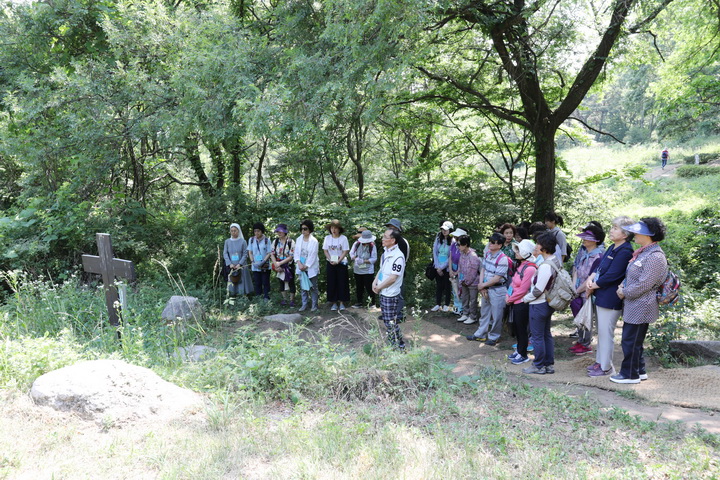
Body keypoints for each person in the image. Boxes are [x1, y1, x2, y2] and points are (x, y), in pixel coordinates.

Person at [612, 218, 668, 384]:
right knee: (635, 340)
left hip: (642, 305)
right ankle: (640, 370)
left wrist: (624, 292)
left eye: (638, 232)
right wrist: (624, 286)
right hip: (635, 303)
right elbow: (633, 275)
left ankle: (630, 374)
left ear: (648, 235)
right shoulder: (644, 252)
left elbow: (645, 283)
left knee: (630, 340)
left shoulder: (655, 256)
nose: (634, 234)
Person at [584, 216, 635, 377]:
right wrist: (590, 278)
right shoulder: (612, 247)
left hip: (611, 298)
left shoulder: (626, 251)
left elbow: (613, 275)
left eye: (615, 228)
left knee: (606, 333)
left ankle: (606, 366)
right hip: (601, 295)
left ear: (625, 234)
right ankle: (599, 362)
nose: (611, 230)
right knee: (601, 332)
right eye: (612, 227)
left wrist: (593, 286)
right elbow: (600, 267)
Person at [521, 232, 561, 375]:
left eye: (538, 244)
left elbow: (538, 290)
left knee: (537, 336)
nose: (536, 246)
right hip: (547, 304)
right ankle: (548, 364)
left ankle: (538, 365)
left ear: (544, 247)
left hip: (539, 304)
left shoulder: (545, 266)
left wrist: (525, 298)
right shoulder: (555, 260)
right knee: (546, 334)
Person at [568, 224, 606, 355]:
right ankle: (580, 340)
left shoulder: (599, 257)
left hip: (588, 293)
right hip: (578, 291)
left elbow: (591, 278)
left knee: (586, 318)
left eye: (587, 238)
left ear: (595, 241)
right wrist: (574, 289)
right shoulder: (584, 253)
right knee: (578, 316)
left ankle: (586, 344)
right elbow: (577, 271)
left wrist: (578, 291)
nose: (583, 240)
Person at [466, 232, 509, 346]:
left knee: (496, 315)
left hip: (498, 290)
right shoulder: (488, 254)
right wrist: (481, 285)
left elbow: (497, 278)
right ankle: (480, 334)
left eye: (492, 242)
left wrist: (483, 286)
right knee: (484, 312)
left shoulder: (503, 259)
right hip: (486, 288)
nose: (490, 243)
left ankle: (494, 337)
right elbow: (483, 270)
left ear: (499, 245)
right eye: (490, 241)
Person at [373, 229, 407, 350]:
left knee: (390, 322)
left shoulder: (398, 256)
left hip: (390, 294)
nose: (382, 239)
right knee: (388, 321)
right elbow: (382, 270)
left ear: (392, 240)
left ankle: (399, 346)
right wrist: (375, 281)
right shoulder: (385, 252)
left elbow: (393, 278)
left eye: (385, 237)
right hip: (383, 291)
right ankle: (394, 344)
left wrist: (379, 287)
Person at [506, 239, 537, 365]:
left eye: (519, 250)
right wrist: (508, 295)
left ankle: (523, 354)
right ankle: (519, 350)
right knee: (517, 328)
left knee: (522, 329)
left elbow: (523, 290)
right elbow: (513, 282)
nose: (516, 252)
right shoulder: (521, 265)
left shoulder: (530, 269)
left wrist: (510, 299)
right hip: (515, 301)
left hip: (522, 303)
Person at [323, 219, 351, 311]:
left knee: (342, 282)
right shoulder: (327, 238)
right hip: (330, 262)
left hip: (341, 262)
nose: (333, 230)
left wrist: (338, 260)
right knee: (332, 282)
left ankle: (342, 302)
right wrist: (330, 259)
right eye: (332, 228)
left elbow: (345, 250)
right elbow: (325, 250)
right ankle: (334, 303)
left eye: (335, 228)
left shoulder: (343, 238)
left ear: (339, 229)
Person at [385, 218, 409, 320]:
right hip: (389, 271)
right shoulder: (391, 241)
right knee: (390, 292)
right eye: (389, 227)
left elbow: (401, 259)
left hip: (398, 271)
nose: (390, 229)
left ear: (397, 229)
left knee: (398, 293)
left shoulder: (402, 242)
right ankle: (390, 314)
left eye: (392, 227)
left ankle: (399, 315)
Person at [295, 219, 320, 312]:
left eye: (305, 229)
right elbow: (296, 253)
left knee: (313, 286)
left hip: (310, 267)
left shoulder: (314, 241)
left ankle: (314, 305)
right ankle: (304, 304)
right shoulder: (298, 239)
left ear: (310, 229)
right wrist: (299, 263)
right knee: (303, 287)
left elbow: (313, 255)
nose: (303, 231)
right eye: (302, 229)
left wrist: (306, 266)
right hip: (300, 266)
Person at [455, 235, 481, 325]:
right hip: (463, 281)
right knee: (464, 298)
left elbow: (473, 272)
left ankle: (473, 316)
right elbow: (460, 266)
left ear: (465, 244)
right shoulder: (462, 254)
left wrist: (467, 281)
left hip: (472, 283)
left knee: (473, 300)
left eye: (459, 244)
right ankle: (465, 313)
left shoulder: (473, 256)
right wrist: (461, 279)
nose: (458, 246)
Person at [349, 229, 378, 308]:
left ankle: (372, 303)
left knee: (369, 286)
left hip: (368, 270)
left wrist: (364, 261)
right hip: (357, 269)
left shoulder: (372, 246)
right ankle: (359, 302)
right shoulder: (356, 244)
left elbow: (374, 259)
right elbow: (351, 253)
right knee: (359, 286)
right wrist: (354, 258)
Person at [270, 224, 295, 307]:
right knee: (281, 282)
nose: (279, 233)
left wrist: (280, 263)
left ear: (285, 232)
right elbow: (272, 253)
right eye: (278, 231)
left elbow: (291, 256)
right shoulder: (275, 242)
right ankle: (285, 299)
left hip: (288, 265)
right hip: (278, 265)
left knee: (291, 282)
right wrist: (276, 264)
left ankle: (292, 300)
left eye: (281, 231)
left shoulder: (291, 242)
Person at [431, 221, 454, 312]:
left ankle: (446, 304)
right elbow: (435, 252)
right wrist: (437, 266)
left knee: (447, 285)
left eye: (446, 230)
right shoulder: (438, 238)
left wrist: (442, 267)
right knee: (439, 285)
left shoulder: (453, 241)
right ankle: (438, 303)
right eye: (442, 229)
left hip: (447, 267)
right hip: (438, 265)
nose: (444, 231)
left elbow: (450, 257)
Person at [223, 223, 251, 297]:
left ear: (238, 231)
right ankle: (232, 298)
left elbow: (245, 254)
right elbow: (225, 253)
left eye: (235, 230)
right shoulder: (227, 242)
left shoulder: (243, 241)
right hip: (231, 266)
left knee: (242, 282)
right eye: (231, 231)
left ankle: (242, 298)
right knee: (232, 282)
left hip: (241, 266)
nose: (233, 232)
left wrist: (239, 264)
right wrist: (230, 264)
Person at [248, 222, 272, 300]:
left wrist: (263, 261)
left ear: (262, 231)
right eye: (255, 231)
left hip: (264, 265)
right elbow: (250, 252)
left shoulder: (266, 240)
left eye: (258, 231)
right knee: (257, 282)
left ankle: (266, 297)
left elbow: (269, 252)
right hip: (255, 265)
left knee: (265, 282)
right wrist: (252, 262)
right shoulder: (251, 240)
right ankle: (258, 298)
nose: (256, 233)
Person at [449, 227, 467, 316]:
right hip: (453, 267)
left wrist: (457, 272)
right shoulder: (453, 245)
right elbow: (450, 257)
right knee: (454, 288)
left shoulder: (464, 247)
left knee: (461, 289)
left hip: (461, 269)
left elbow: (463, 260)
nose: (455, 238)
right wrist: (450, 269)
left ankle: (462, 308)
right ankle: (456, 307)